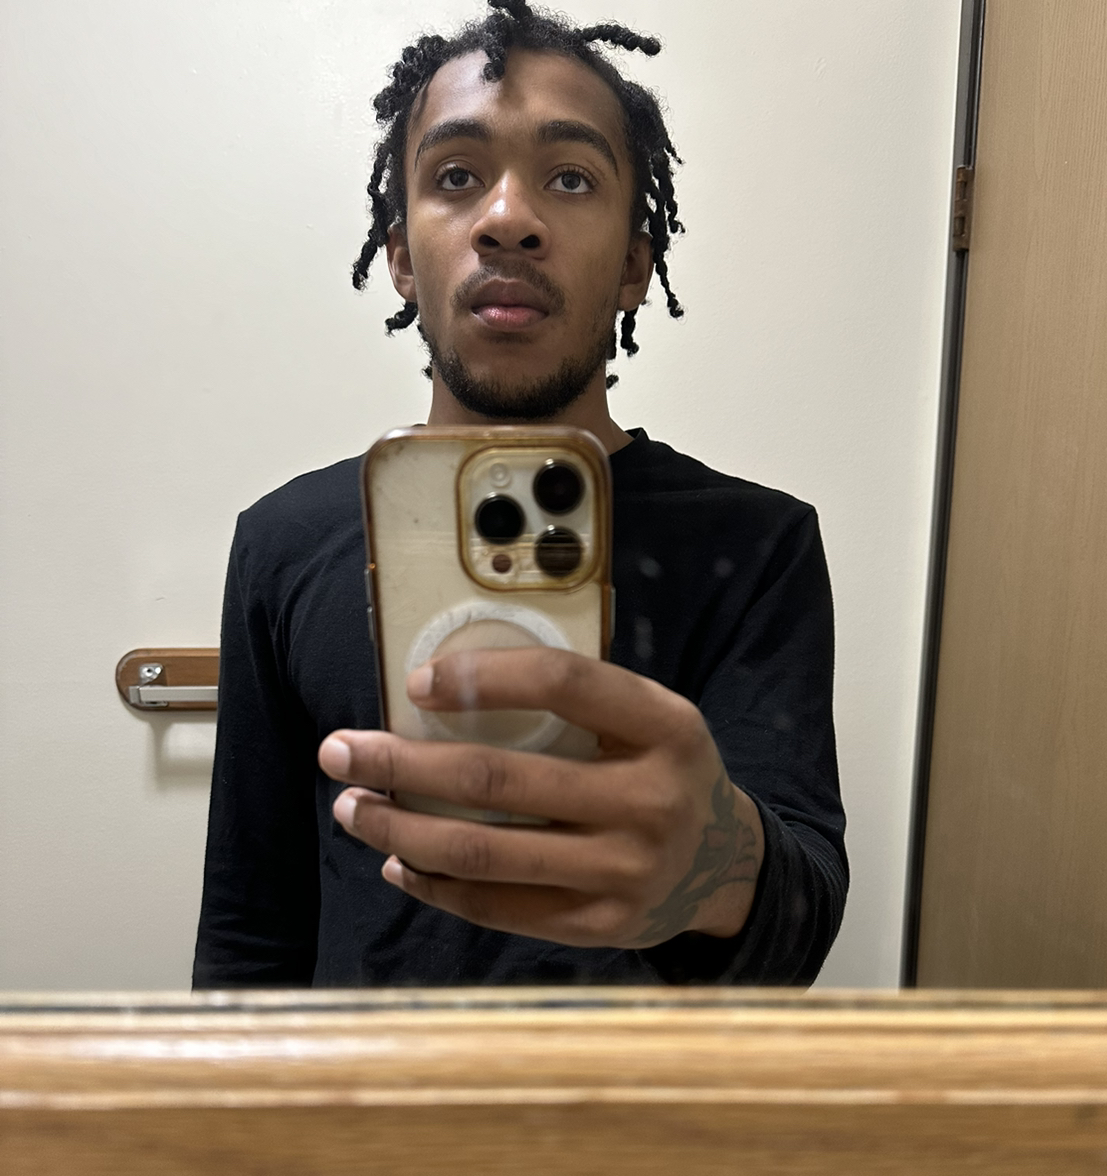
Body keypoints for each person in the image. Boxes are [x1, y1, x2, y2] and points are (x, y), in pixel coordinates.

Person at [193, 0, 847, 988]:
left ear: (633, 266)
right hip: (360, 1091)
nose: (508, 219)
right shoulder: (283, 543)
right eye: (457, 176)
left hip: (642, 1093)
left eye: (571, 178)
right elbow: (248, 936)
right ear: (402, 257)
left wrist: (719, 860)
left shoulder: (759, 545)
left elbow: (798, 933)